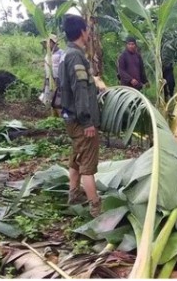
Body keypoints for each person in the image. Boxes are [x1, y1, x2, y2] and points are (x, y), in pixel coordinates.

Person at [57, 14, 102, 218]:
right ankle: (95, 206)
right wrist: (87, 121)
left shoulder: (67, 54)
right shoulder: (76, 57)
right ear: (83, 32)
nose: (89, 34)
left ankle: (74, 195)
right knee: (87, 166)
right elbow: (80, 90)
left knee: (76, 158)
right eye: (87, 30)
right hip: (80, 120)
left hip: (70, 118)